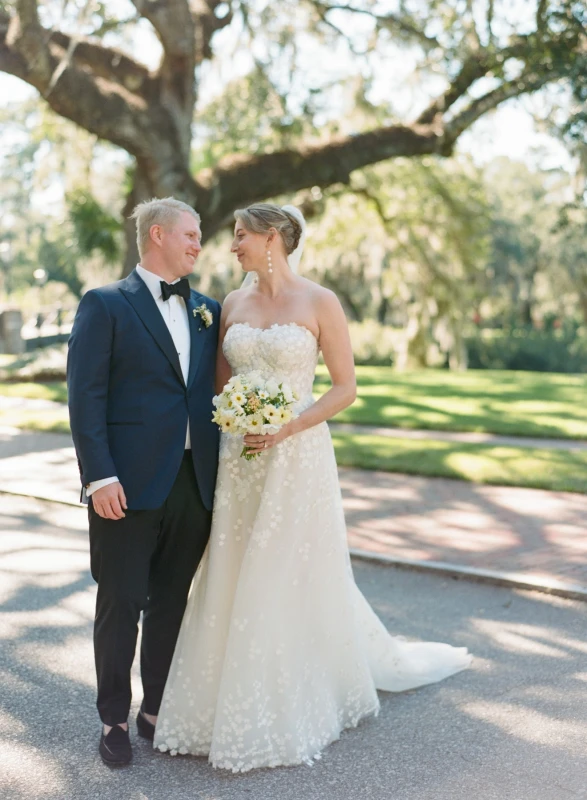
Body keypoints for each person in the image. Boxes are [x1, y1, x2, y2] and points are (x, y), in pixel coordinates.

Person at [154, 203, 471, 771]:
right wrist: (237, 422)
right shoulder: (232, 304)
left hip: (296, 454)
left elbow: (345, 387)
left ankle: (285, 707)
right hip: (240, 456)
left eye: (241, 235)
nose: (233, 246)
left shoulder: (321, 301)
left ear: (272, 237)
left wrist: (288, 424)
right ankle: (213, 702)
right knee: (233, 566)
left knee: (282, 569)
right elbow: (219, 390)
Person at [67, 197, 221, 766]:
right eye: (191, 234)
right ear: (157, 234)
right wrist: (99, 476)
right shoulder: (105, 305)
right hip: (124, 486)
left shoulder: (208, 308)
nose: (198, 244)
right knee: (120, 602)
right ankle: (113, 719)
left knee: (171, 603)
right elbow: (86, 397)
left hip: (193, 483)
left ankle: (155, 709)